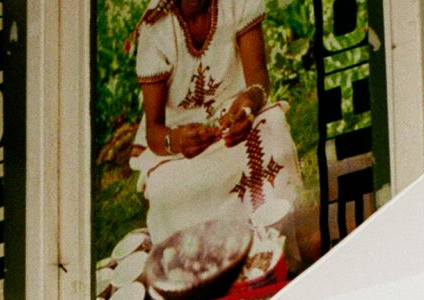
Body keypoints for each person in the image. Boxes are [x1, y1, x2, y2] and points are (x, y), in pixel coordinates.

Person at [127, 0, 318, 272]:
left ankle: (278, 256)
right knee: (167, 191)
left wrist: (249, 105)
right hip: (178, 143)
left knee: (276, 138)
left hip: (234, 122)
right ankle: (201, 275)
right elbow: (155, 133)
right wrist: (176, 140)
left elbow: (258, 80)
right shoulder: (156, 27)